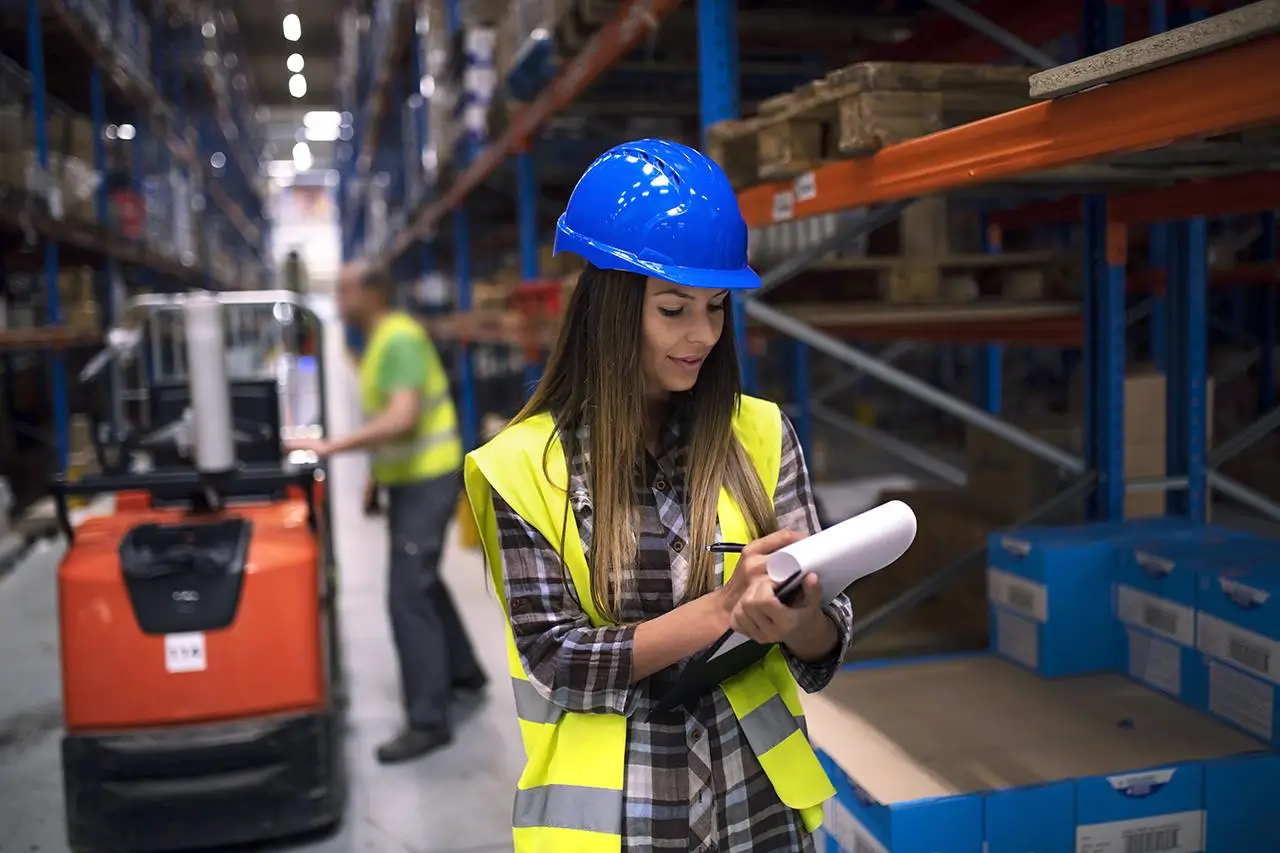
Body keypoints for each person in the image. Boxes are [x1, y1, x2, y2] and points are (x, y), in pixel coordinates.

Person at [464, 139, 852, 853]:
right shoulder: (524, 467)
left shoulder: (761, 435)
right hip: (625, 821)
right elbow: (559, 660)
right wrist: (723, 608)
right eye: (673, 308)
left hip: (756, 810)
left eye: (716, 307)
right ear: (611, 309)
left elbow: (822, 646)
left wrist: (798, 616)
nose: (702, 334)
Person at [287, 261, 487, 764]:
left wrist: (332, 447)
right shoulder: (377, 340)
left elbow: (403, 417)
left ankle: (428, 721)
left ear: (372, 292)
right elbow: (388, 419)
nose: (337, 295)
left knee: (406, 592)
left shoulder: (396, 339)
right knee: (422, 578)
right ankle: (465, 673)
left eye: (344, 288)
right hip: (406, 478)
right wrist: (376, 477)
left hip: (429, 475)